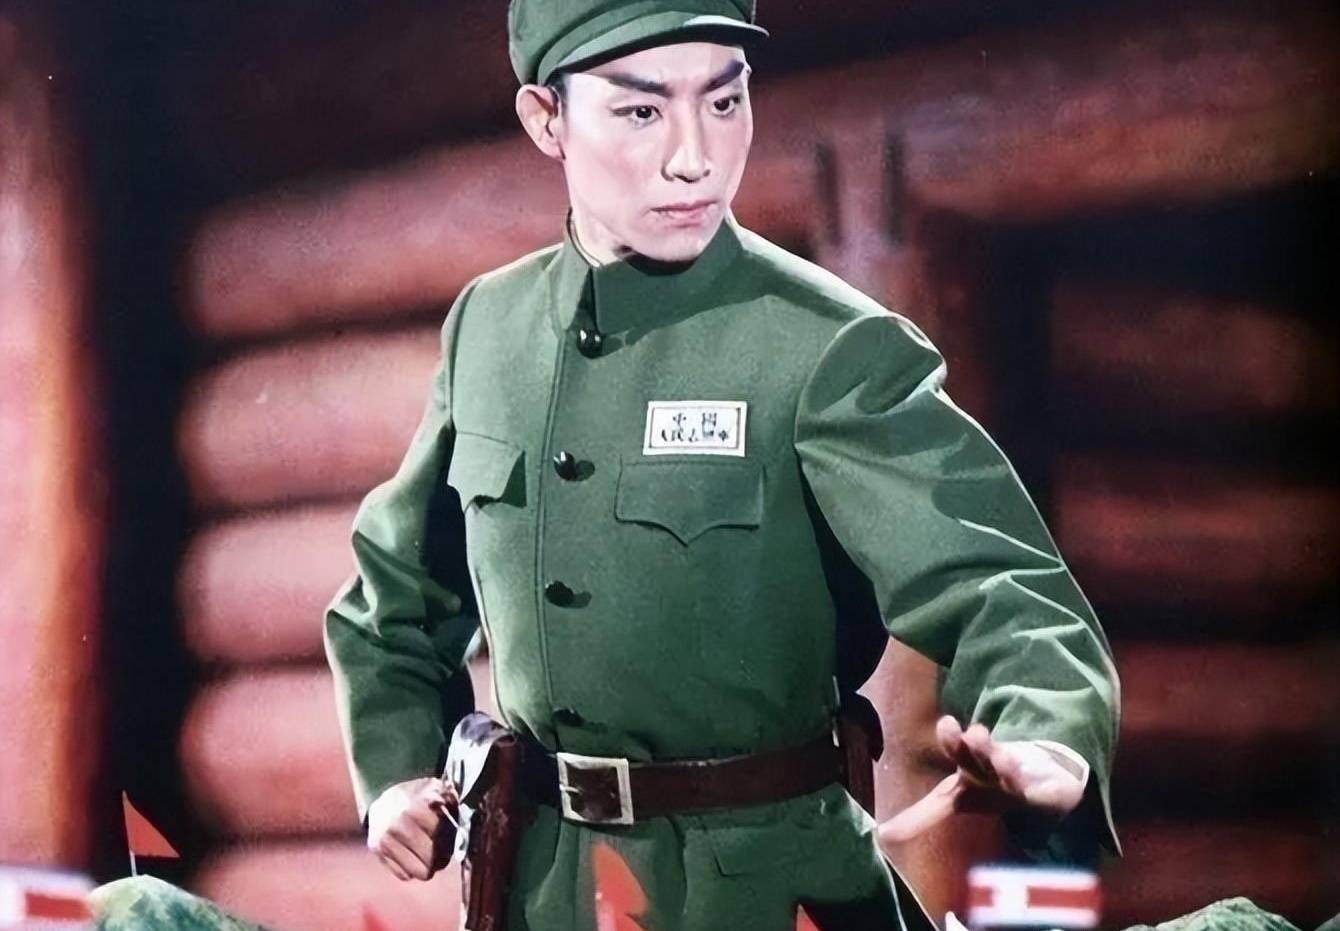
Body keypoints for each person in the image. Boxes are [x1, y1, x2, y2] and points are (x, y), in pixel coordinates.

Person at [322, 2, 1121, 929]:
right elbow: (397, 595)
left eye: (725, 101)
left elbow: (998, 579)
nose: (694, 158)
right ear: (547, 119)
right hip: (537, 889)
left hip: (763, 892)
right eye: (641, 110)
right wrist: (396, 773)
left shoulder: (827, 345)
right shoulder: (488, 328)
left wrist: (1045, 729)